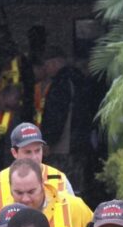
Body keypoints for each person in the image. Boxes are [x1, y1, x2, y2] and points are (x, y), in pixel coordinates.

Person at [39, 46, 94, 200]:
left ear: (56, 62)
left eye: (47, 65)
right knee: (77, 187)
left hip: (64, 145)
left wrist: (48, 140)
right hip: (81, 141)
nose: (45, 69)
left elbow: (56, 115)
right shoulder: (79, 79)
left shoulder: (61, 82)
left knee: (59, 185)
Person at [0, 158, 92, 227]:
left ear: (42, 184)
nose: (25, 199)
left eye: (31, 192)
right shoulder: (2, 216)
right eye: (19, 193)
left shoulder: (73, 206)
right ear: (10, 189)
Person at [0, 122, 74, 206]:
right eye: (28, 152)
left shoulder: (59, 179)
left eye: (37, 150)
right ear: (14, 152)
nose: (34, 157)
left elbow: (74, 212)